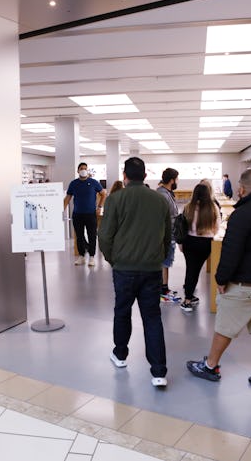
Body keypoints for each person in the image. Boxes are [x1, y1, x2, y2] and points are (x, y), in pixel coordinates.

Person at [186, 169, 251, 392]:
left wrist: (221, 278)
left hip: (246, 282)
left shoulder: (242, 214)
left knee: (225, 325)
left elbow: (231, 251)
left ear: (241, 189)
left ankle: (210, 366)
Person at [99, 157, 170, 388]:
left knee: (122, 312)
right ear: (145, 176)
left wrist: (113, 259)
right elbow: (167, 235)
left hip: (124, 269)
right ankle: (159, 371)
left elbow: (105, 235)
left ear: (124, 176)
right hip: (151, 268)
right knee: (152, 317)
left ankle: (120, 355)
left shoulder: (115, 199)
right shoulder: (159, 201)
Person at [179, 183, 221, 312]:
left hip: (189, 242)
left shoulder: (188, 207)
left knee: (191, 269)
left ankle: (188, 298)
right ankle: (188, 297)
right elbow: (216, 229)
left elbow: (182, 227)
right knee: (195, 270)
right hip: (205, 243)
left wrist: (181, 244)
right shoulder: (213, 208)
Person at [64, 162, 106, 267]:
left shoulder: (93, 182)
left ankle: (92, 257)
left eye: (85, 168)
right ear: (78, 171)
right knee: (79, 236)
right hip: (77, 214)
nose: (83, 170)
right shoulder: (73, 183)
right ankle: (81, 256)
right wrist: (60, 209)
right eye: (81, 168)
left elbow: (103, 194)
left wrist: (99, 207)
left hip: (91, 214)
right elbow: (68, 198)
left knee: (92, 236)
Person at [156, 167, 181, 303]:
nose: (177, 181)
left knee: (166, 262)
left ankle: (164, 287)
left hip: (169, 234)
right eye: (176, 179)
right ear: (172, 180)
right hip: (165, 235)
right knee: (164, 262)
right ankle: (162, 290)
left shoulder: (166, 193)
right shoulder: (163, 195)